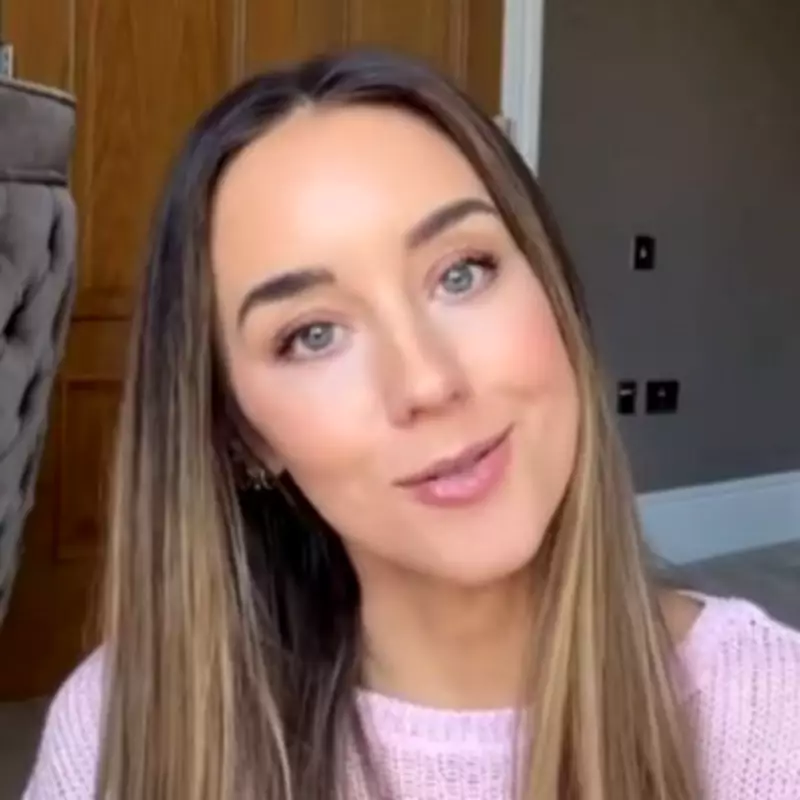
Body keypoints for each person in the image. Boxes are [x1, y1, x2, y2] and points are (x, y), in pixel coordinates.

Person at [24, 50, 800, 800]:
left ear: (552, 287)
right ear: (244, 436)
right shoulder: (121, 729)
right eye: (313, 335)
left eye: (461, 274)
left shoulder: (774, 717)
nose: (427, 381)